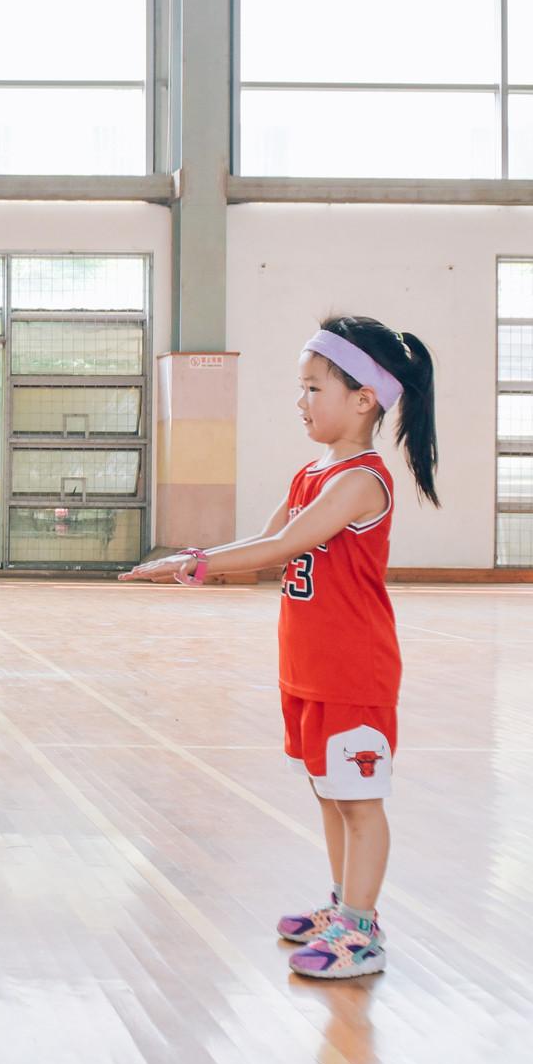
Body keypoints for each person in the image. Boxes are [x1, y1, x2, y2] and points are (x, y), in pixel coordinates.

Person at [120, 315, 439, 980]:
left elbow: (280, 548)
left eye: (313, 388)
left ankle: (363, 930)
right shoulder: (309, 475)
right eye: (301, 388)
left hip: (355, 670)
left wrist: (194, 561)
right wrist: (196, 561)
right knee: (329, 793)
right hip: (308, 669)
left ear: (362, 399)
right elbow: (261, 547)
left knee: (359, 801)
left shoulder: (359, 481)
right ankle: (343, 906)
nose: (301, 401)